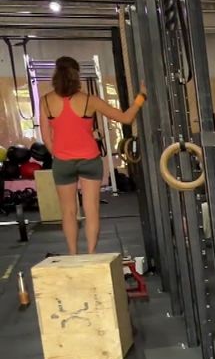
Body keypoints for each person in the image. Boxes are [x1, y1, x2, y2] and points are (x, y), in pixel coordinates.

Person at [39, 56, 146, 254]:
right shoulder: (89, 100)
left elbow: (46, 137)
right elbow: (126, 118)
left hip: (63, 163)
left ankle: (73, 255)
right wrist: (141, 97)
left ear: (57, 74)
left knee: (69, 212)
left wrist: (61, 155)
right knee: (91, 211)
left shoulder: (46, 101)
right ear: (76, 75)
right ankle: (90, 254)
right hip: (90, 160)